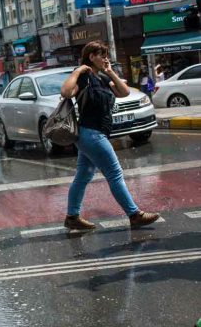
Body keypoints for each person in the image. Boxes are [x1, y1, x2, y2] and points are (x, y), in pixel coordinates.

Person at [60, 40, 159, 230]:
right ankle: (134, 214)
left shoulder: (102, 78)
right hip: (91, 134)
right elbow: (65, 92)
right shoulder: (84, 78)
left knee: (83, 176)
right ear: (91, 57)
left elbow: (124, 92)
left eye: (106, 55)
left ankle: (72, 217)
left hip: (94, 134)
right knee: (115, 174)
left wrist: (109, 71)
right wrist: (77, 71)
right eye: (102, 55)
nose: (106, 58)